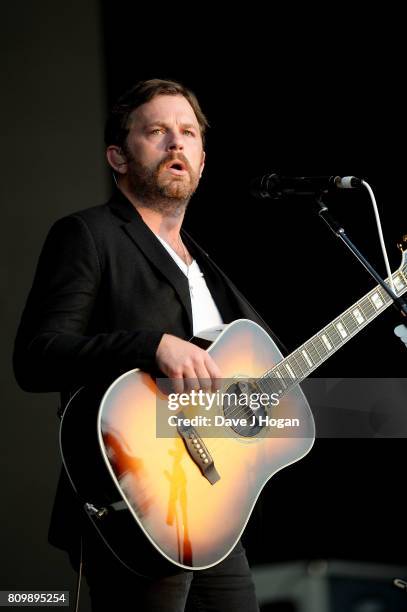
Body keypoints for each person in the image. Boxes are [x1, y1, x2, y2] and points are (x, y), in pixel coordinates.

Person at [13, 78, 283, 612]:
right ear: (118, 155)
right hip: (134, 497)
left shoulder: (208, 268)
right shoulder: (88, 234)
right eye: (157, 132)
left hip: (211, 504)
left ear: (203, 162)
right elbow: (36, 356)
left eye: (187, 134)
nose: (176, 143)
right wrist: (149, 344)